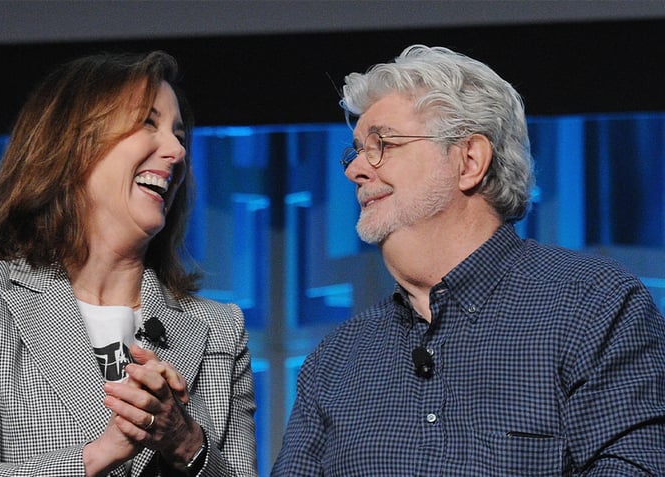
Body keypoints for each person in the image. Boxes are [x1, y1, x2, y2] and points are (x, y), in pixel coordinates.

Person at [272, 44, 665, 475]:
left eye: (382, 144)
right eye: (356, 151)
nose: (354, 170)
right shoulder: (335, 361)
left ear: (470, 160)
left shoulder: (592, 306)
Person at [0, 51, 258, 477]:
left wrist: (186, 442)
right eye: (149, 123)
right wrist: (98, 454)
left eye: (179, 135)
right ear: (73, 145)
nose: (176, 150)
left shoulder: (219, 330)